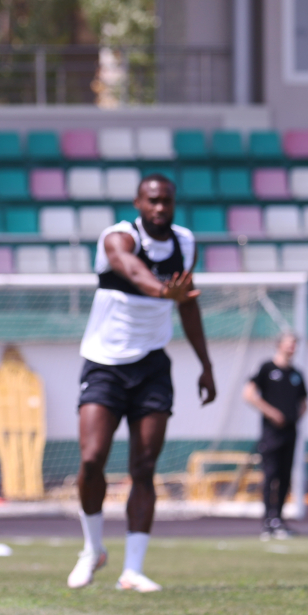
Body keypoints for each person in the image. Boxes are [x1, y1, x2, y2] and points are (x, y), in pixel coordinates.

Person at [68, 174, 216, 593]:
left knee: (144, 466)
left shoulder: (185, 243)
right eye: (152, 200)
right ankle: (93, 548)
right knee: (92, 459)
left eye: (166, 200)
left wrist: (206, 365)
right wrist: (163, 291)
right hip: (104, 363)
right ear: (138, 203)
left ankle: (132, 570)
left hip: (152, 365)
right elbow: (131, 270)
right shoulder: (118, 237)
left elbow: (188, 305)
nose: (159, 208)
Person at [242, 334, 307, 539]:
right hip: (271, 433)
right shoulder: (266, 368)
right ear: (279, 345)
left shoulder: (296, 374)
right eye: (289, 344)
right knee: (270, 475)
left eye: (294, 344)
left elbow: (304, 402)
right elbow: (249, 394)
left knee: (285, 476)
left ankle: (279, 519)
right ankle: (267, 521)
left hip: (290, 432)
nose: (292, 347)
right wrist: (271, 413)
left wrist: (294, 417)